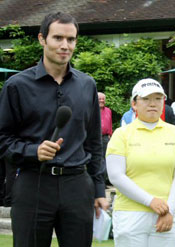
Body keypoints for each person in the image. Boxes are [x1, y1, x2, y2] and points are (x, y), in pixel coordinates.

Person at [0, 12, 108, 247]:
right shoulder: (16, 86)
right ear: (42, 39)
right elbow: (2, 139)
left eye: (71, 40)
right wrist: (32, 151)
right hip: (32, 184)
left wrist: (99, 188)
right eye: (58, 38)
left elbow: (93, 142)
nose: (65, 46)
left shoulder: (87, 85)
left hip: (77, 185)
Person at [106, 78, 175, 247]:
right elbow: (116, 176)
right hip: (130, 214)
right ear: (134, 104)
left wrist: (170, 209)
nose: (152, 103)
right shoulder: (121, 134)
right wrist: (150, 201)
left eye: (158, 99)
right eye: (146, 99)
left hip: (166, 214)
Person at [98, 92, 112, 180]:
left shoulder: (108, 110)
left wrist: (110, 135)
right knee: (98, 159)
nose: (102, 100)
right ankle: (98, 179)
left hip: (105, 138)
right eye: (100, 99)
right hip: (95, 138)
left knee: (106, 158)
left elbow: (110, 123)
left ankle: (105, 180)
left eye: (103, 99)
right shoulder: (92, 110)